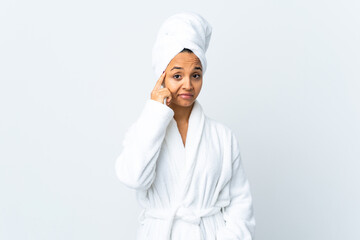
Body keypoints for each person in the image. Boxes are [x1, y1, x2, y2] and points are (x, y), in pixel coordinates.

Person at [115, 11, 255, 240]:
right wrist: (155, 112)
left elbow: (241, 206)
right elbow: (134, 177)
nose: (188, 85)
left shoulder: (222, 137)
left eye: (196, 75)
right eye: (177, 76)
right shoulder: (143, 131)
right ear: (161, 78)